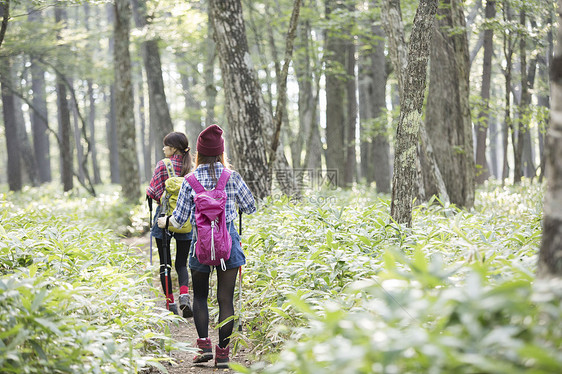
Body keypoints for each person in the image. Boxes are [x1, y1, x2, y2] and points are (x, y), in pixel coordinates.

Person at [158, 124, 256, 369]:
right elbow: (251, 207)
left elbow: (179, 220)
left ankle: (203, 346)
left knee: (200, 296)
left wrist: (164, 221)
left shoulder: (189, 180)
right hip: (229, 245)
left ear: (199, 153)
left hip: (200, 245)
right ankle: (222, 354)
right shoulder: (231, 177)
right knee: (226, 299)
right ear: (221, 153)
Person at [147, 131, 194, 318]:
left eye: (166, 145)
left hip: (163, 217)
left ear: (173, 148)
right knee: (182, 263)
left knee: (164, 264)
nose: (163, 148)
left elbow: (153, 192)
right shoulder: (190, 167)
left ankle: (170, 304)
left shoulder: (162, 165)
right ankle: (184, 295)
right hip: (185, 219)